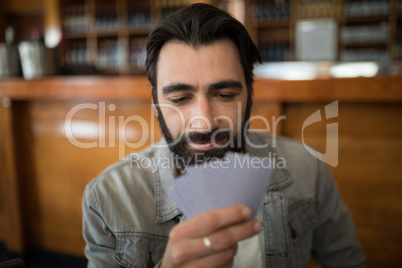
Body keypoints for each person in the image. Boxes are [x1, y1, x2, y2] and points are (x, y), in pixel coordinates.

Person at [82, 3, 366, 268]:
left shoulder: (307, 170)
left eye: (225, 95)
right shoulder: (108, 199)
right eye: (180, 99)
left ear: (250, 95)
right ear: (156, 102)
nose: (204, 123)